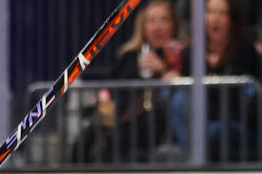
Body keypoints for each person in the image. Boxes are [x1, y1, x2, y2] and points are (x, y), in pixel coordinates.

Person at [74, 0, 189, 162]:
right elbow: (111, 91)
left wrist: (164, 70)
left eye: (164, 20)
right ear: (143, 26)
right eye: (151, 21)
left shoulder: (184, 54)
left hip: (162, 127)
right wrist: (105, 100)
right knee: (87, 138)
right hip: (126, 124)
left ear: (174, 24)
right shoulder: (129, 56)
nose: (158, 27)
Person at [169, 0, 261, 161]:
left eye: (222, 13)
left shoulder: (244, 50)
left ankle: (189, 163)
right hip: (200, 121)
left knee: (208, 132)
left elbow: (240, 98)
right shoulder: (192, 52)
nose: (215, 19)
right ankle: (191, 159)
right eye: (210, 12)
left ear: (231, 20)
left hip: (235, 122)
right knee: (180, 99)